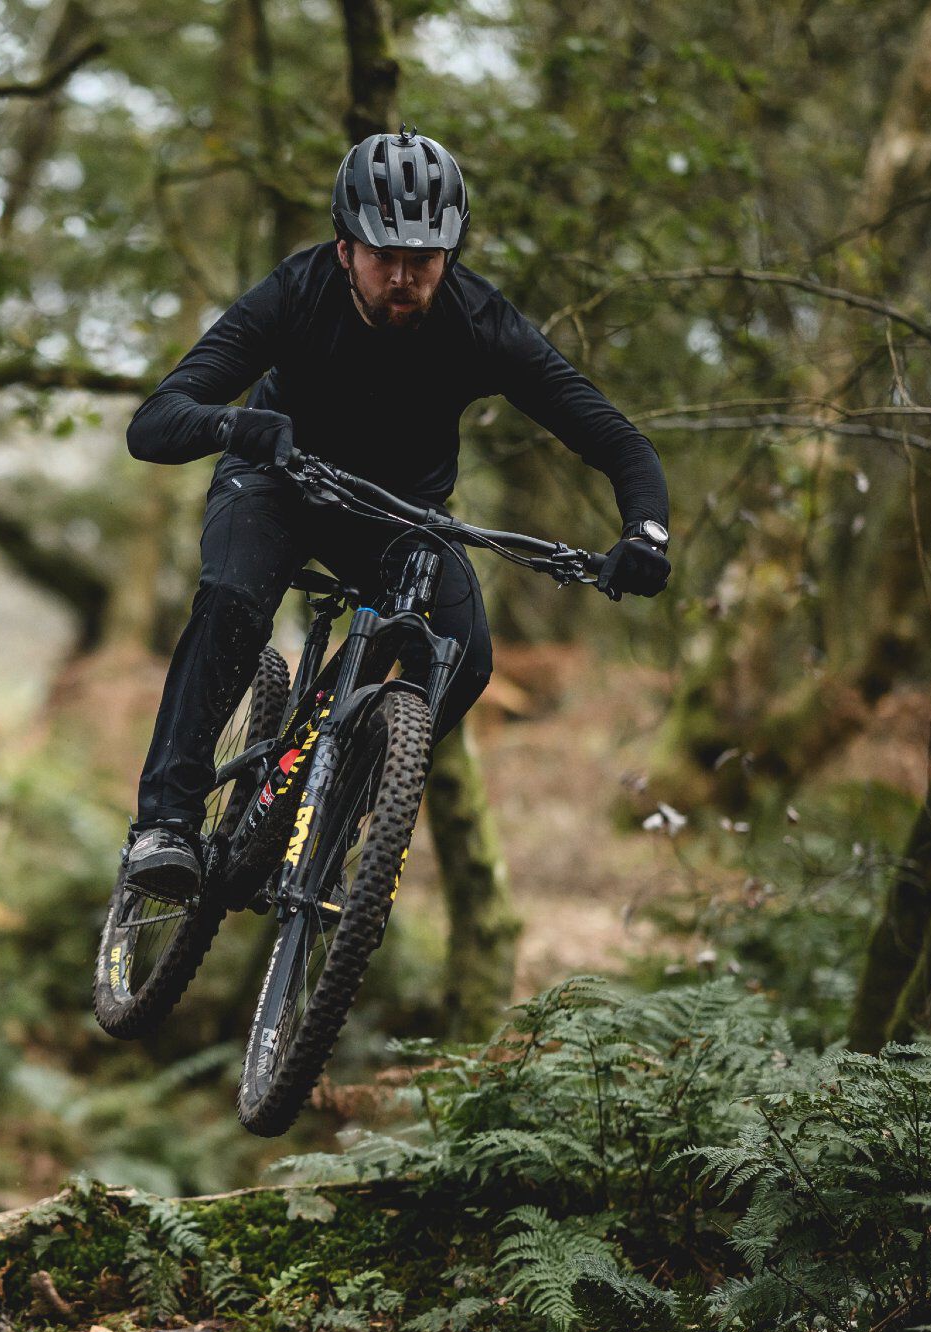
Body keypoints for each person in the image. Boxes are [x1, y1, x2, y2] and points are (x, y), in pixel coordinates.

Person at [119, 129, 673, 899]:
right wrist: (234, 426)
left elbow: (616, 438)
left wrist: (645, 532)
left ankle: (328, 809)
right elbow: (155, 422)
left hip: (399, 515)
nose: (405, 278)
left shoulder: (479, 321)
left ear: (451, 253)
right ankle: (167, 822)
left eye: (426, 259)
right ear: (345, 248)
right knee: (232, 601)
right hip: (277, 483)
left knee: (465, 658)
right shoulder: (296, 292)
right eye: (386, 257)